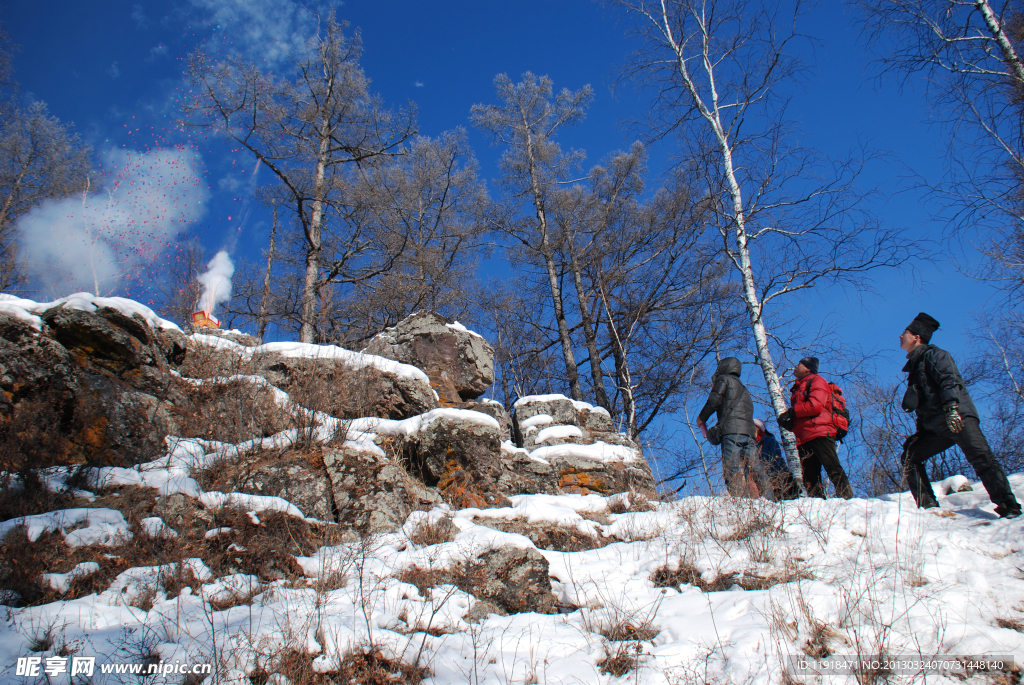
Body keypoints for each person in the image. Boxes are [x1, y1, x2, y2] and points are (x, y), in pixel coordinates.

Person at [899, 312, 1022, 518]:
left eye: (904, 333)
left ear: (917, 337)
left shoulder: (935, 355)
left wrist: (951, 409)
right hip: (936, 427)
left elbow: (949, 380)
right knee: (911, 455)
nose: (900, 336)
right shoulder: (915, 366)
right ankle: (928, 507)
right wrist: (922, 433)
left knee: (982, 459)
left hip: (957, 416)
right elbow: (923, 403)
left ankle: (1009, 507)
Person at [779, 356, 854, 499]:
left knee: (832, 467)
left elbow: (816, 406)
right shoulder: (798, 386)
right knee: (810, 475)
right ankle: (817, 506)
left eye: (799, 364)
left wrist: (791, 412)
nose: (795, 367)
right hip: (805, 436)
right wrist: (790, 424)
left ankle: (847, 499)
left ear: (808, 368)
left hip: (821, 432)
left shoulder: (817, 381)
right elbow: (804, 418)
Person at [697, 357, 773, 499]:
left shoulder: (724, 379)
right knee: (756, 468)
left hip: (731, 432)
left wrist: (702, 418)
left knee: (732, 468)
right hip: (749, 433)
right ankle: (770, 499)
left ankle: (740, 502)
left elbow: (713, 401)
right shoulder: (744, 389)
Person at [754, 418, 802, 500]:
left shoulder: (769, 440)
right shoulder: (751, 444)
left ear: (758, 428)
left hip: (778, 476)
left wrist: (767, 473)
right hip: (762, 479)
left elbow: (775, 458)